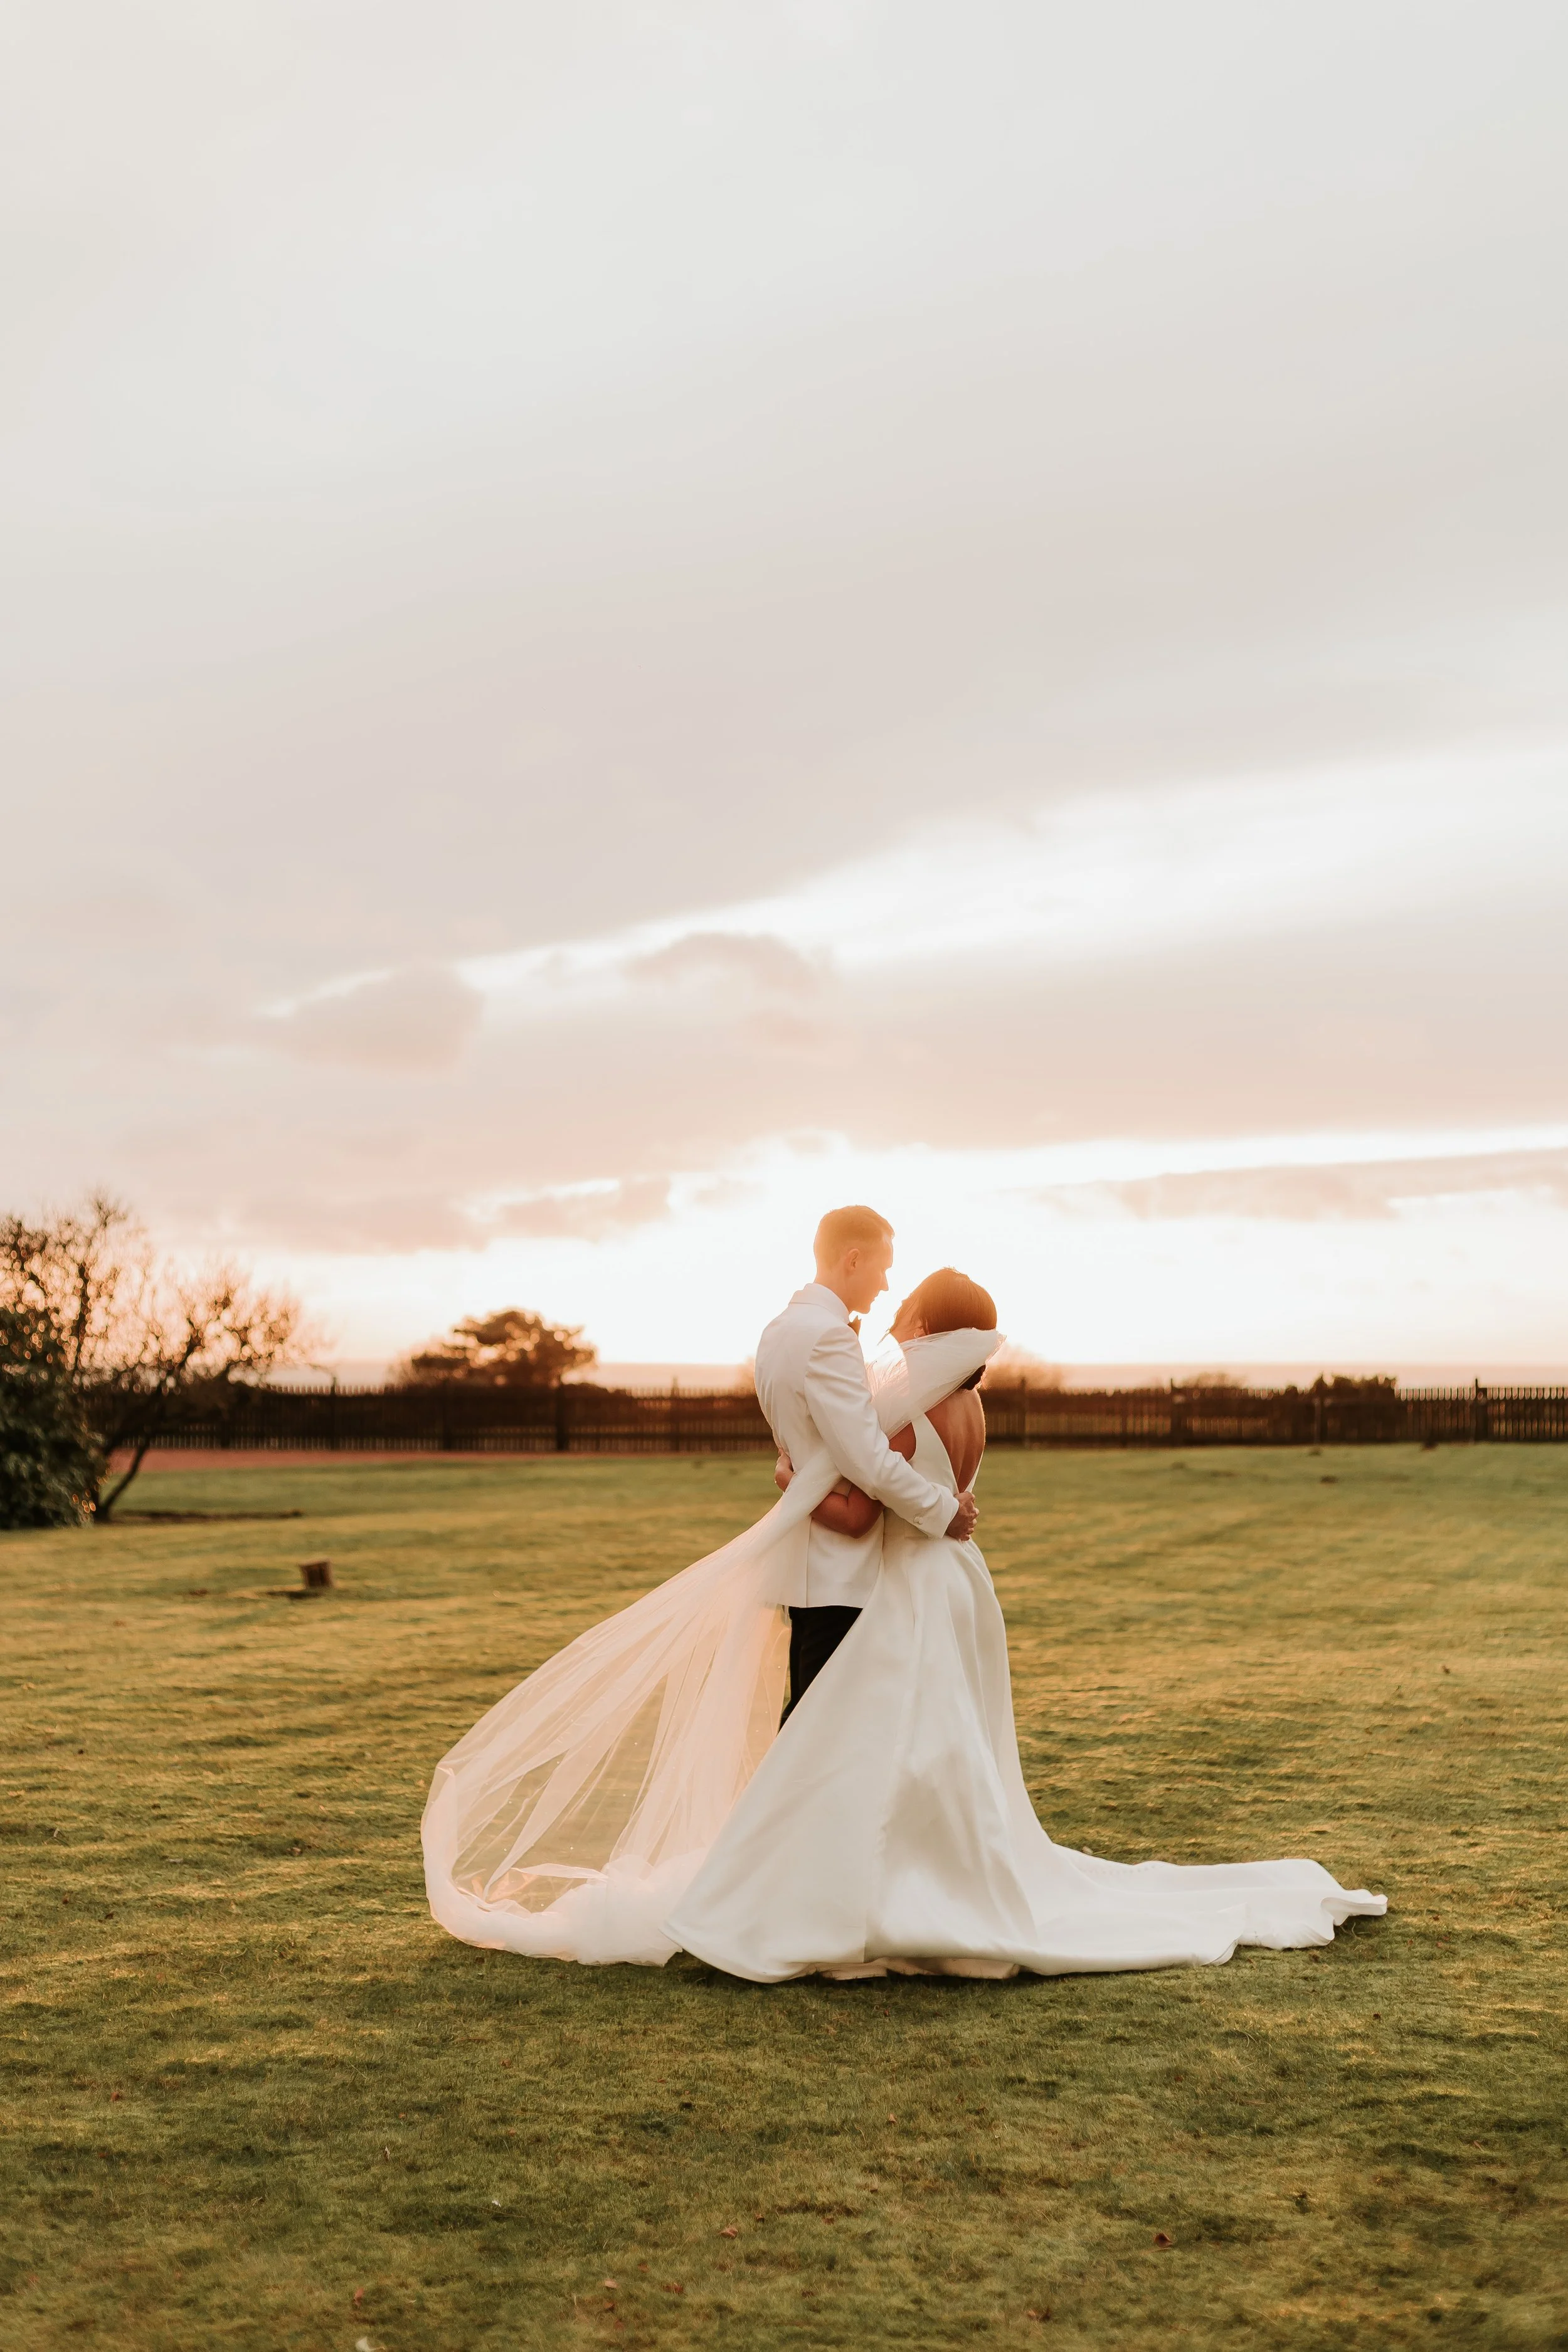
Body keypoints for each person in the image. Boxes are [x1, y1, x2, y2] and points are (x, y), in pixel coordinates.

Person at [423, 1214, 1385, 1978]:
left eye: (906, 1306)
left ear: (928, 1324)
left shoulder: (895, 1390)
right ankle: (918, 1880)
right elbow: (922, 1492)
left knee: (862, 1743)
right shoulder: (968, 1404)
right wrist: (847, 1485)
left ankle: (853, 1892)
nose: (890, 1311)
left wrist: (795, 1484)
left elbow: (861, 1496)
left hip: (895, 1576)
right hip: (955, 1586)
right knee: (935, 1743)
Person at [751, 1205, 978, 1722]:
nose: (885, 1284)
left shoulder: (777, 1331)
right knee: (823, 1729)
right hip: (841, 1571)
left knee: (812, 1719)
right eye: (883, 1267)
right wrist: (944, 1510)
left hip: (808, 1559)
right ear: (852, 1259)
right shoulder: (830, 1338)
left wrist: (791, 1480)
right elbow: (871, 1461)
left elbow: (804, 1446)